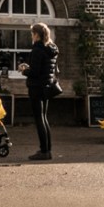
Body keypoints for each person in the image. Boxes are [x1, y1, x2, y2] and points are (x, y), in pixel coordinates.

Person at [19, 23, 61, 159]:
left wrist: (24, 70)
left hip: (36, 87)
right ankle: (47, 150)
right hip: (47, 87)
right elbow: (46, 68)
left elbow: (35, 72)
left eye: (32, 33)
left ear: (36, 34)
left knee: (39, 119)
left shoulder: (37, 49)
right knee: (44, 118)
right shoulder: (51, 48)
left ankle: (44, 151)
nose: (31, 36)